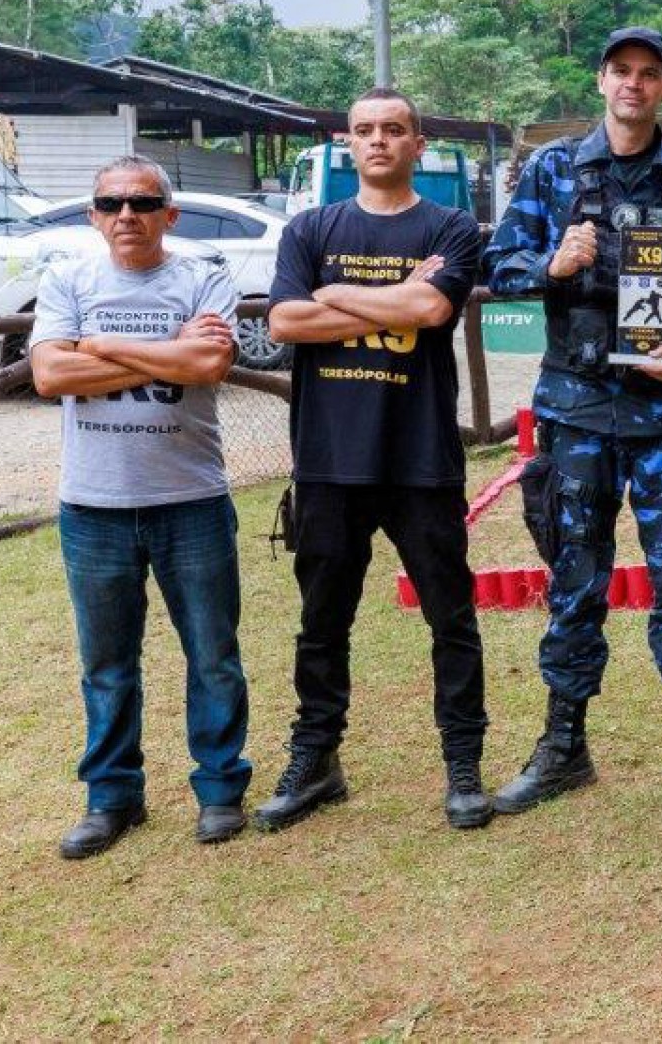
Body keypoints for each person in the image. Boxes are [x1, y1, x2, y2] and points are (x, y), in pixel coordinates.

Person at [482, 26, 662, 806]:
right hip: (576, 416)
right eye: (622, 72)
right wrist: (552, 262)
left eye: (649, 74)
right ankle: (563, 745)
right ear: (601, 81)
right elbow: (496, 267)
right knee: (576, 580)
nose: (634, 85)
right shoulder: (552, 171)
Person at [256, 86, 492, 833]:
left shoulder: (450, 225)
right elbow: (287, 320)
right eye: (365, 131)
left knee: (451, 619)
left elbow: (431, 313)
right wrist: (391, 292)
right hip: (329, 462)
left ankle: (463, 764)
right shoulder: (310, 228)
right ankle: (316, 759)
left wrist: (338, 293)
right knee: (323, 621)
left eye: (394, 130)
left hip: (420, 460)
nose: (380, 141)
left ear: (419, 144)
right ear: (346, 145)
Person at [30, 156, 249, 857]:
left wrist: (95, 343)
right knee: (106, 663)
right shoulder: (68, 277)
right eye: (111, 203)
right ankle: (112, 798)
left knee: (212, 654)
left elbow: (209, 366)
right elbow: (48, 372)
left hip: (191, 500)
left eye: (143, 202)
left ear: (169, 214)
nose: (127, 214)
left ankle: (219, 790)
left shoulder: (204, 277)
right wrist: (165, 352)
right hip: (93, 505)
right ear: (94, 215)